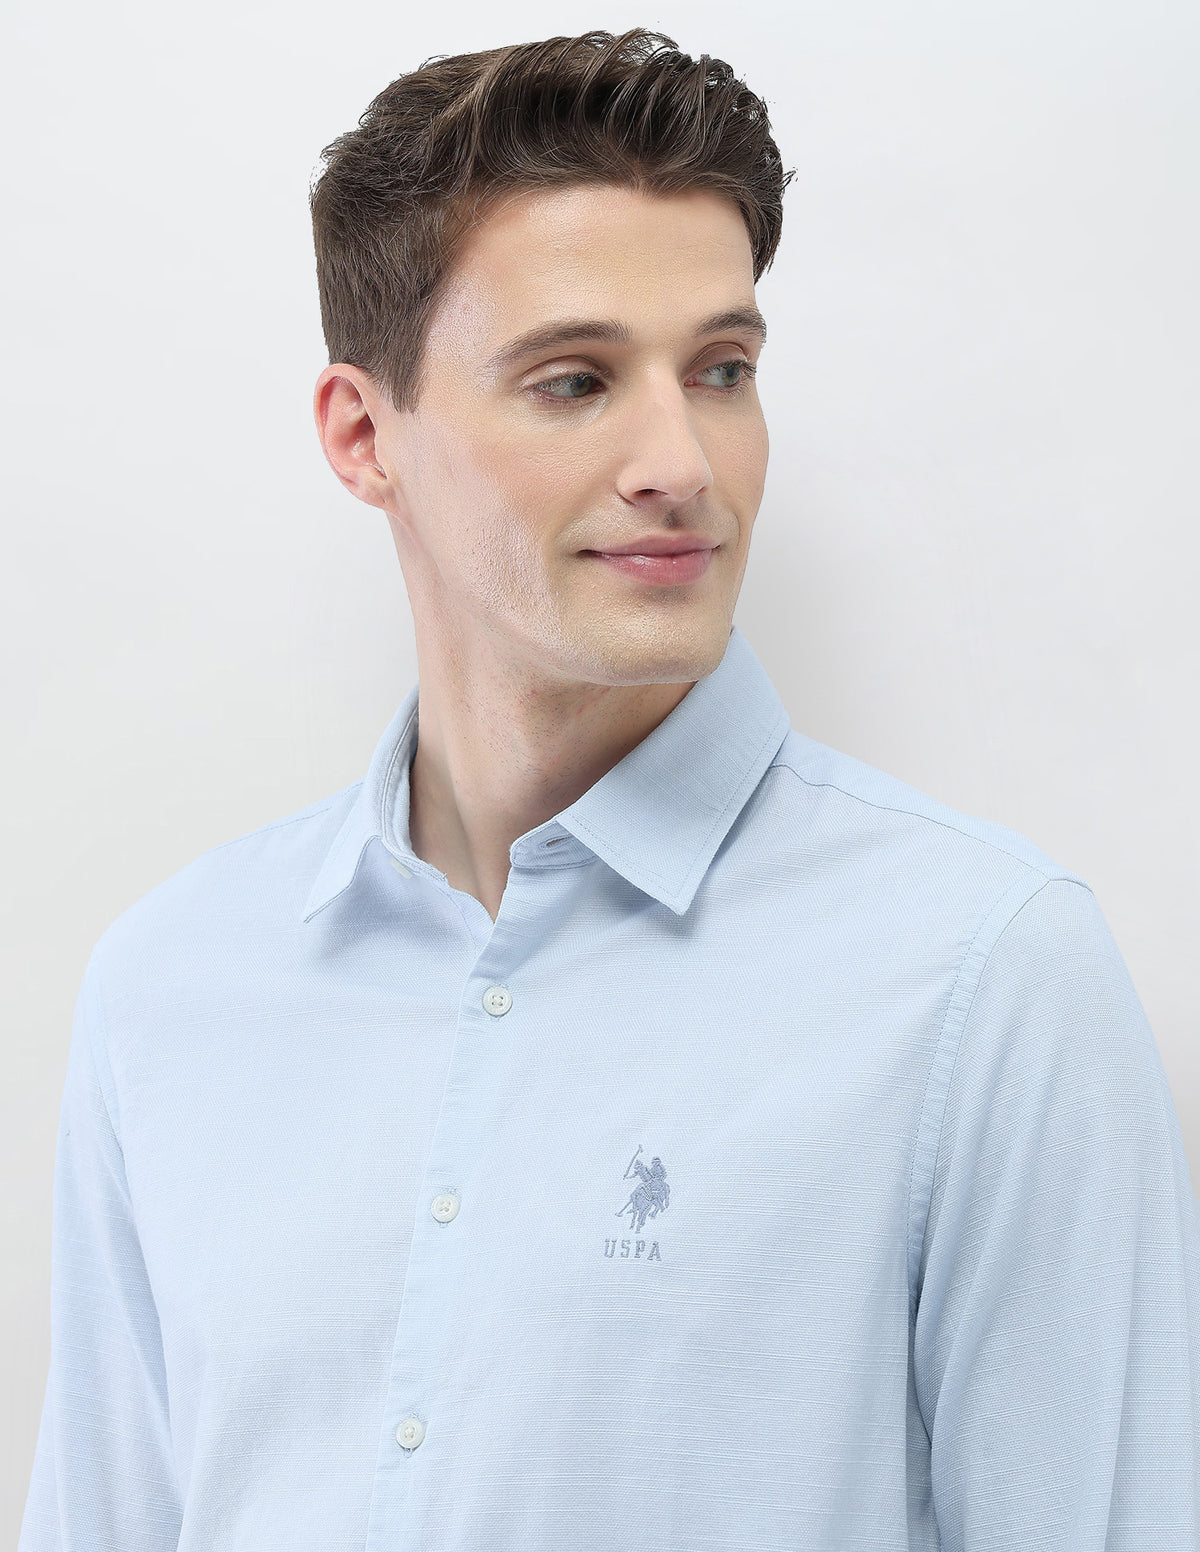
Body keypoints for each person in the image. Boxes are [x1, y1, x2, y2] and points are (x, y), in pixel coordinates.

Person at [19, 26, 1199, 1552]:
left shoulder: (984, 976)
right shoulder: (171, 990)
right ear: (365, 436)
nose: (681, 462)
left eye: (723, 371)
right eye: (575, 381)